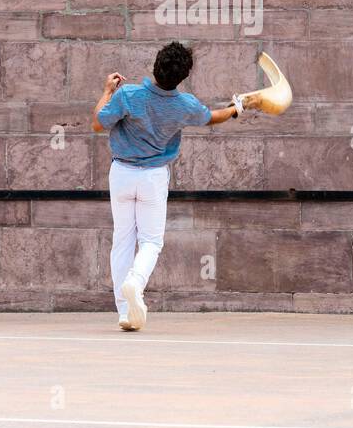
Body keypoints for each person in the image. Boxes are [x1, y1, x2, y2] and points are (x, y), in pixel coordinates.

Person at [91, 42, 248, 331]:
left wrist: (107, 90)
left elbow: (99, 123)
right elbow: (213, 117)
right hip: (153, 178)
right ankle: (135, 283)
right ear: (183, 76)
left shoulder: (128, 94)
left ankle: (125, 312)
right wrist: (235, 108)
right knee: (151, 241)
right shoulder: (184, 105)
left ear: (155, 65)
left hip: (122, 173)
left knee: (122, 240)